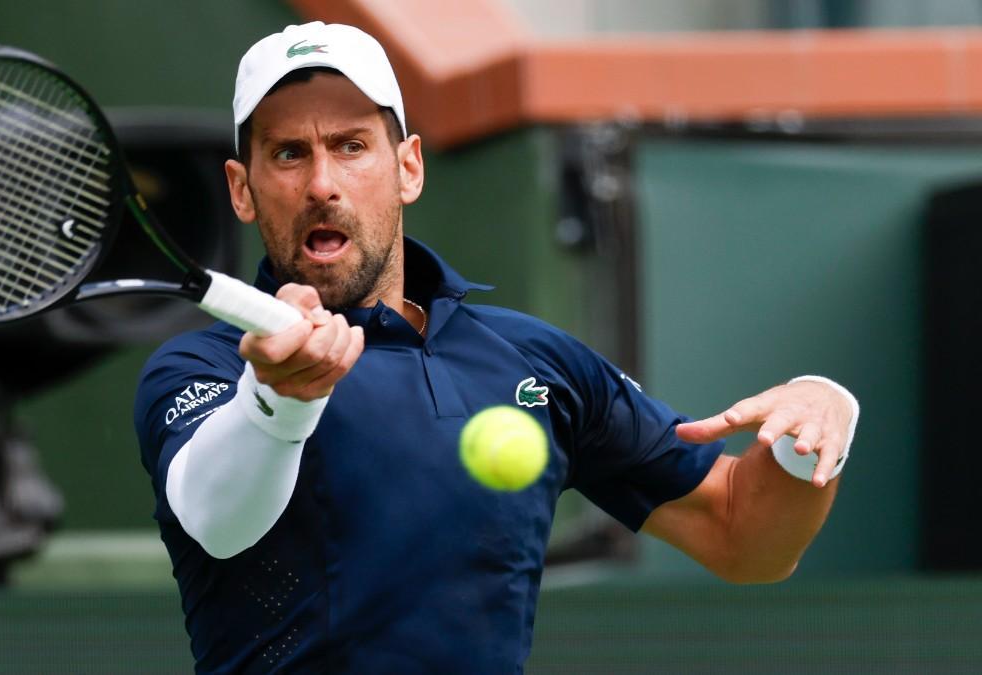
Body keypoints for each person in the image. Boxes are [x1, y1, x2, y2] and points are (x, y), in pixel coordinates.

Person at [133, 20, 859, 673]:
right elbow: (218, 523)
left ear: (408, 167)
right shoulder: (208, 370)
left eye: (352, 146)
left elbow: (742, 536)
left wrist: (818, 420)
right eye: (290, 153)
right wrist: (276, 396)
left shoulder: (536, 362)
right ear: (242, 189)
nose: (323, 183)